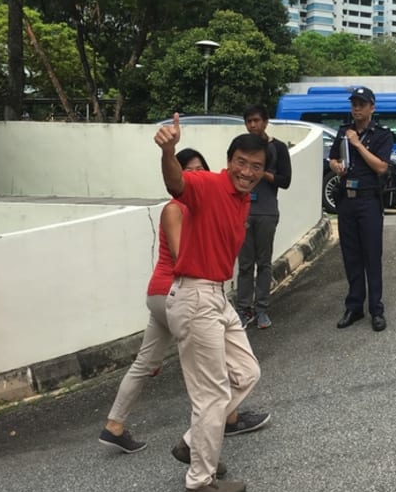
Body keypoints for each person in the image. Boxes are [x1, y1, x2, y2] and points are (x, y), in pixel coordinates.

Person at [98, 148, 269, 457]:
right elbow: (184, 258)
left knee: (146, 364)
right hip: (175, 291)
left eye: (200, 170)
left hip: (161, 295)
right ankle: (219, 424)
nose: (196, 176)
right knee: (209, 370)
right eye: (189, 171)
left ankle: (114, 426)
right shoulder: (177, 208)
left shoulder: (210, 201)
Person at [154, 115, 270, 492]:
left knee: (247, 372)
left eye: (256, 166)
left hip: (218, 296)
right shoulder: (207, 184)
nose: (248, 171)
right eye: (241, 162)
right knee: (212, 394)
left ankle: (192, 443)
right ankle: (199, 481)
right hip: (195, 295)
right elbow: (176, 183)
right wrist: (169, 151)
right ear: (229, 161)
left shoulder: (243, 198)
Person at [327, 86, 393, 333]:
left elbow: (381, 167)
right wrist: (336, 166)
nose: (356, 108)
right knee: (351, 255)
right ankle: (354, 306)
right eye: (354, 104)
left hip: (368, 201)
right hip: (347, 201)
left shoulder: (381, 135)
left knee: (371, 255)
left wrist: (357, 145)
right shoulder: (344, 131)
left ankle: (376, 308)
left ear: (372, 107)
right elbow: (333, 159)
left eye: (361, 104)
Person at [236, 105, 292, 330]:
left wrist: (263, 173)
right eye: (249, 121)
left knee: (264, 263)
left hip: (267, 211)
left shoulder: (277, 147)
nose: (253, 125)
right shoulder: (241, 147)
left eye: (257, 120)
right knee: (245, 263)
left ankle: (261, 310)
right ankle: (243, 309)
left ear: (266, 121)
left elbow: (285, 180)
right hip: (244, 211)